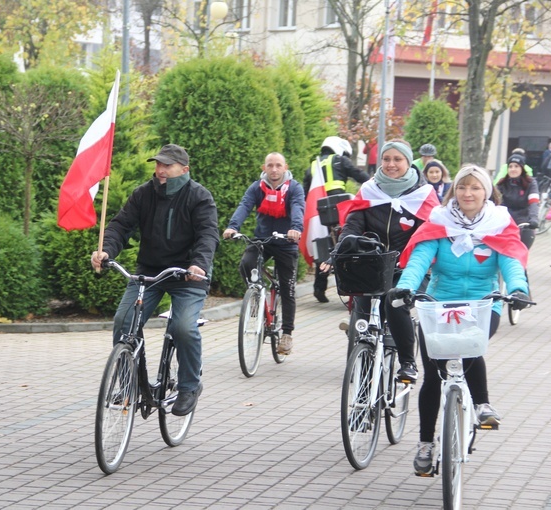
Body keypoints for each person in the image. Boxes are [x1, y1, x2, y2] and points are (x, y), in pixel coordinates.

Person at [389, 164, 529, 475]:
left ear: (487, 192)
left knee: (469, 347)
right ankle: (425, 445)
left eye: (475, 187)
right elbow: (418, 262)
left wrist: (518, 289)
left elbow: (511, 262)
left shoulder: (498, 225)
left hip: (483, 304)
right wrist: (406, 287)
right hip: (437, 305)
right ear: (454, 192)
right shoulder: (438, 224)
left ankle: (482, 405)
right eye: (462, 187)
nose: (468, 193)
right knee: (432, 376)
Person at [91, 144, 219, 416]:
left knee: (183, 327)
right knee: (124, 321)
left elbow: (208, 235)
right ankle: (128, 384)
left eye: (167, 165)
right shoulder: (143, 194)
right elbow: (120, 226)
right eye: (158, 164)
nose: (160, 170)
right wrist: (106, 250)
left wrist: (198, 264)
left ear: (184, 169)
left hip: (187, 275)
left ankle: (189, 386)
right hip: (149, 272)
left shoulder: (199, 197)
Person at [321, 139, 440, 382]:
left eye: (398, 159)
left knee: (393, 303)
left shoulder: (425, 195)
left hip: (407, 269)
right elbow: (352, 225)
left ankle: (407, 363)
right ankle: (364, 383)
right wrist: (339, 252)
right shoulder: (369, 190)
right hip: (371, 267)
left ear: (408, 162)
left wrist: (414, 263)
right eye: (386, 159)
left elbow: (430, 235)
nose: (391, 164)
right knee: (361, 315)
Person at [223, 152, 305, 355]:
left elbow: (297, 207)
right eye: (270, 165)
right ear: (264, 167)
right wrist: (233, 227)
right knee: (246, 263)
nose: (274, 170)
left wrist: (295, 229)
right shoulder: (257, 187)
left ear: (285, 167)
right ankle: (257, 295)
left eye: (278, 165)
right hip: (263, 241)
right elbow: (244, 205)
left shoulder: (294, 188)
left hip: (286, 241)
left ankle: (287, 334)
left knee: (287, 289)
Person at [302, 136, 370, 303]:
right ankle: (349, 288)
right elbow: (360, 176)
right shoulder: (340, 160)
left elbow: (305, 191)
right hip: (341, 208)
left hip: (319, 212)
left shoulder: (313, 164)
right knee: (346, 243)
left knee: (323, 246)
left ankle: (319, 288)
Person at [496, 153, 539, 249]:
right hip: (506, 221)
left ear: (522, 168)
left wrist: (534, 219)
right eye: (510, 166)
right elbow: (495, 202)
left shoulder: (531, 183)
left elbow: (534, 202)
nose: (513, 169)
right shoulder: (501, 184)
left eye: (516, 166)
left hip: (524, 221)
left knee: (523, 250)